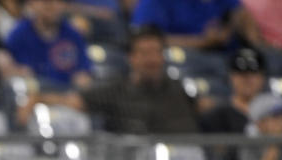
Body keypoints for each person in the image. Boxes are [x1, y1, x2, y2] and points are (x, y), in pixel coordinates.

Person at [63, 25, 201, 133]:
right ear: (131, 58)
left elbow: (204, 106)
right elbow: (76, 101)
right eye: (145, 53)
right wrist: (43, 97)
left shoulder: (179, 89)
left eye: (156, 52)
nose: (152, 59)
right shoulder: (115, 90)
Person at [5, 0, 93, 90]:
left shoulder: (73, 35)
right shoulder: (18, 35)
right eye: (46, 2)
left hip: (66, 97)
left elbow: (84, 74)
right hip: (31, 95)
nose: (52, 6)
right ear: (31, 3)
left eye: (58, 2)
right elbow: (8, 73)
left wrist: (82, 83)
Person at [130, 0, 264, 50]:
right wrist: (201, 42)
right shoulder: (155, 3)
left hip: (226, 59)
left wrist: (253, 40)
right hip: (183, 61)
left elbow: (240, 13)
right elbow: (145, 41)